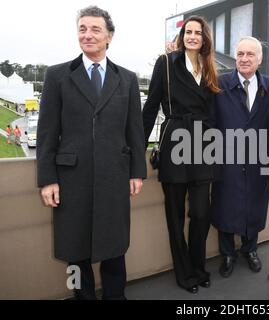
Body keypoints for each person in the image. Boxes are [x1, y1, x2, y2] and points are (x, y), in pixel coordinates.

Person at [36, 6, 146, 300]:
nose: (88, 34)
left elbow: (134, 130)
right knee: (75, 250)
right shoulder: (58, 76)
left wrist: (137, 171)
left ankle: (115, 296)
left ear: (110, 36)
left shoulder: (127, 78)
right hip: (71, 178)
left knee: (114, 248)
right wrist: (47, 179)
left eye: (95, 29)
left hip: (114, 176)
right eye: (83, 28)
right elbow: (46, 133)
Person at [142, 16, 220, 294]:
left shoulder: (210, 68)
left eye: (198, 32)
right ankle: (185, 274)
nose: (192, 36)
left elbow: (213, 111)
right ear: (182, 36)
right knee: (174, 216)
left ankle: (199, 268)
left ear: (204, 38)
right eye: (188, 32)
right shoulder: (166, 63)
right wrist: (138, 144)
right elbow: (151, 105)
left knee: (201, 213)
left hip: (203, 145)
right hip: (175, 140)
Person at [211, 37, 269, 278]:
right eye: (240, 54)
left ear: (260, 59)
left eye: (250, 54)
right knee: (225, 204)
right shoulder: (219, 83)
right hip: (226, 158)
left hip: (260, 159)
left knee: (255, 203)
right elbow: (211, 121)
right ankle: (227, 254)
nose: (244, 59)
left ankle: (251, 249)